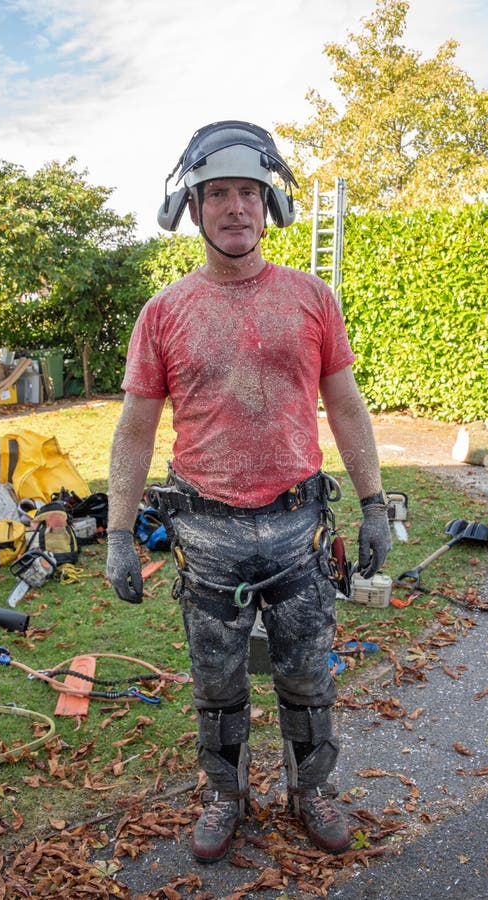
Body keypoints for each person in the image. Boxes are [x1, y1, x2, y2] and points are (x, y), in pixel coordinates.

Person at [106, 120, 391, 864]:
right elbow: (135, 431)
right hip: (205, 537)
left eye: (248, 193)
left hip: (297, 529)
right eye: (217, 194)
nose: (235, 208)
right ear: (191, 210)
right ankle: (225, 795)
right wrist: (117, 534)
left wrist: (370, 504)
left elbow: (347, 406)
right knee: (218, 684)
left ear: (270, 206)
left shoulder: (311, 297)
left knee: (305, 676)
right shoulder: (163, 312)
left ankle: (311, 790)